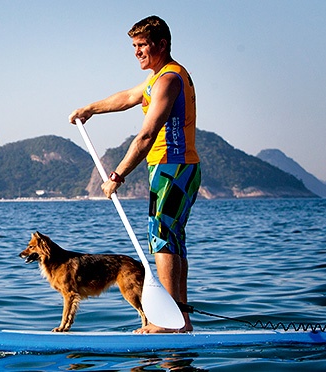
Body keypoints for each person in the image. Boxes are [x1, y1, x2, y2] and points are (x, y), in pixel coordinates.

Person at [69, 15, 201, 333]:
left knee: (162, 241)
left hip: (173, 167)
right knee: (171, 240)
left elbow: (146, 135)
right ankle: (180, 320)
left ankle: (168, 323)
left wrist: (117, 175)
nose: (137, 51)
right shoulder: (158, 78)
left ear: (161, 44)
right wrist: (90, 108)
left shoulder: (169, 79)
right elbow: (127, 98)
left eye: (142, 45)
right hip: (177, 167)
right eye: (134, 46)